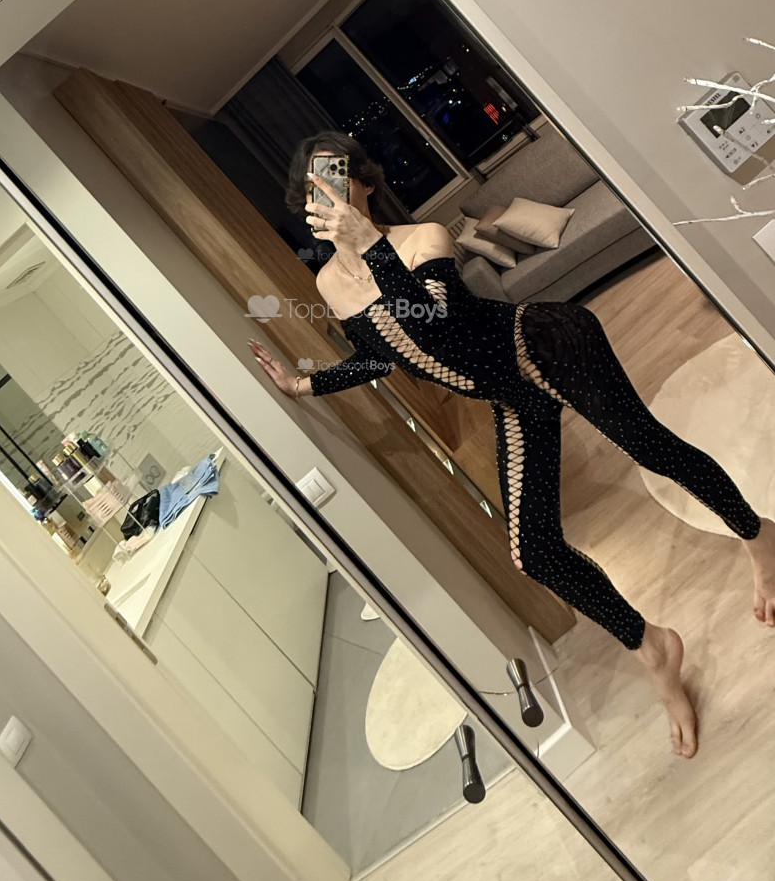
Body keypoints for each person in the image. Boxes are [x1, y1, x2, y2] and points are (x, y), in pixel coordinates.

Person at [248, 132, 775, 759]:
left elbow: (443, 329)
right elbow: (379, 357)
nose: (328, 193)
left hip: (548, 344)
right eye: (314, 186)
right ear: (303, 201)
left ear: (363, 183)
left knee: (653, 449)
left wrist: (373, 248)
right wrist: (304, 384)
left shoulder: (422, 239)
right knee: (535, 552)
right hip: (510, 397)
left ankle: (759, 538)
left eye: (336, 176)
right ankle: (654, 647)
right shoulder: (328, 285)